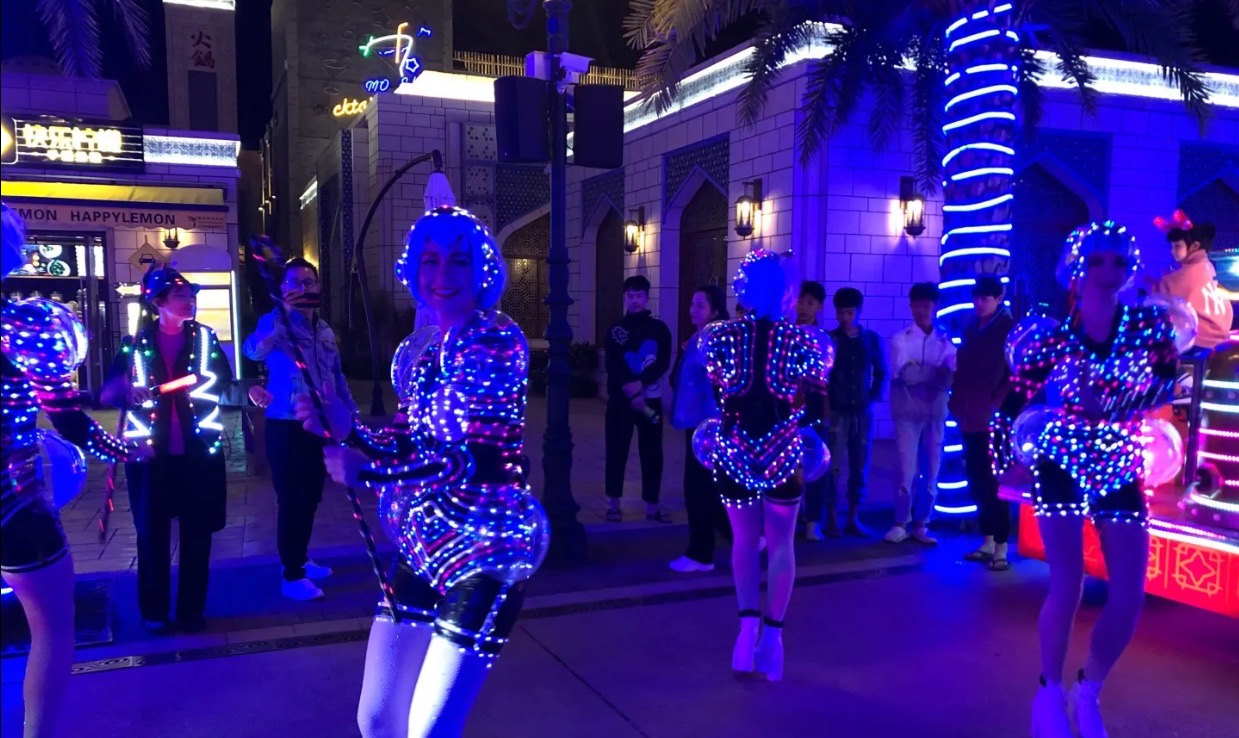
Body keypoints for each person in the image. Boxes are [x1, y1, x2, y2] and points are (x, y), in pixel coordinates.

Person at [296, 206, 546, 738]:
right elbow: (407, 442)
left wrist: (371, 475)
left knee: (429, 731)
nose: (442, 275)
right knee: (376, 718)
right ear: (413, 270)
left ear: (483, 270)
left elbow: (476, 460)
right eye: (430, 260)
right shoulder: (421, 353)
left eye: (459, 261)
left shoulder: (496, 341)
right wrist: (348, 427)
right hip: (424, 548)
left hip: (485, 553)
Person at [992, 221, 1177, 738]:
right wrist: (1002, 461)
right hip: (1063, 460)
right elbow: (1010, 401)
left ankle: (1088, 688)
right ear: (1077, 267)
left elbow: (1167, 386)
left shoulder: (1148, 326)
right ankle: (1049, 692)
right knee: (1067, 583)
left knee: (1130, 595)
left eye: (1117, 260)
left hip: (1120, 459)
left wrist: (1114, 402)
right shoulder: (1054, 335)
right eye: (1096, 260)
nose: (1108, 270)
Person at [1, 203, 148, 738]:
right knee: (52, 626)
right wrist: (124, 449)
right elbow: (67, 419)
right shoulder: (24, 326)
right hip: (13, 506)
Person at [698, 249, 831, 681]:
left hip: (734, 453)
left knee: (743, 541)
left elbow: (719, 395)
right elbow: (814, 406)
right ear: (787, 290)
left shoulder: (719, 339)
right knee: (781, 544)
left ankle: (746, 632)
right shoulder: (805, 342)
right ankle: (773, 638)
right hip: (782, 455)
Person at [101, 266, 233, 635]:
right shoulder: (135, 343)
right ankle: (154, 612)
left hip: (198, 451)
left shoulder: (205, 338)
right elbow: (109, 392)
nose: (190, 301)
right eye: (181, 295)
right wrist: (128, 392)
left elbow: (222, 379)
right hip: (148, 454)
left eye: (191, 295)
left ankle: (191, 611)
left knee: (197, 535)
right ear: (158, 302)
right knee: (151, 534)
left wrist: (196, 387)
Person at [243, 257, 357, 601]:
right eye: (293, 282)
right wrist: (281, 316)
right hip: (287, 423)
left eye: (308, 282)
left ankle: (301, 558)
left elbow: (336, 375)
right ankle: (290, 573)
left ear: (318, 287)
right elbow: (253, 351)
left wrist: (350, 415)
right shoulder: (274, 321)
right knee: (292, 499)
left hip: (321, 424)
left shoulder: (324, 330)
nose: (300, 288)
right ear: (282, 288)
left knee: (311, 495)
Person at [950, 276, 1016, 570]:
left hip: (991, 417)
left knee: (994, 482)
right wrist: (956, 400)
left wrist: (997, 403)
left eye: (985, 298)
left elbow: (1015, 373)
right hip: (969, 413)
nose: (979, 303)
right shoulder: (971, 327)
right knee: (976, 478)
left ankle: (1001, 545)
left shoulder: (1007, 329)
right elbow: (961, 368)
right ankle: (987, 539)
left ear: (998, 298)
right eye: (977, 297)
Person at [885, 283, 956, 544]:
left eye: (927, 305)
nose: (922, 310)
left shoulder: (945, 340)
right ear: (910, 306)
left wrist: (923, 372)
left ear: (935, 307)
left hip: (936, 413)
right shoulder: (900, 338)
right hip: (906, 412)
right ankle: (900, 522)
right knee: (906, 468)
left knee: (932, 469)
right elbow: (905, 373)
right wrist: (936, 372)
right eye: (917, 305)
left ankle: (922, 523)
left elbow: (950, 376)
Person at [668, 285, 732, 573]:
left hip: (707, 425)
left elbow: (721, 385)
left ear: (715, 311)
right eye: (692, 304)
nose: (692, 310)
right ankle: (741, 538)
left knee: (699, 489)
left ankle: (701, 553)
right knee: (706, 489)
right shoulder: (699, 337)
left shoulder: (715, 340)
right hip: (696, 422)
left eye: (700, 306)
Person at [603, 274, 673, 523]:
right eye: (630, 295)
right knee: (616, 449)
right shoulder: (616, 330)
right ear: (624, 297)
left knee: (653, 452)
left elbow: (662, 362)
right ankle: (613, 504)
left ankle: (652, 505)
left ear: (647, 297)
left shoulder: (659, 329)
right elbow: (613, 364)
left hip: (650, 402)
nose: (634, 300)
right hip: (621, 402)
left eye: (639, 295)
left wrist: (641, 384)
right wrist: (631, 390)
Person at [825, 287, 886, 536]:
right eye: (841, 313)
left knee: (859, 465)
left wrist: (871, 396)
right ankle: (831, 518)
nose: (845, 318)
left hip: (862, 411)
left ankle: (853, 517)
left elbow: (881, 371)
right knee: (833, 467)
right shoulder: (831, 339)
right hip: (837, 411)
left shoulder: (870, 339)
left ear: (859, 312)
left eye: (850, 313)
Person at [1152, 219, 1233, 350]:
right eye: (1172, 246)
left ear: (1194, 246)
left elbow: (1162, 298)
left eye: (1177, 246)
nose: (1172, 251)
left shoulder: (1185, 275)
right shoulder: (1207, 266)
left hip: (1200, 339)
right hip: (1220, 335)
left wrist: (1152, 284)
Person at [795, 281, 831, 540]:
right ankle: (791, 515)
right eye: (801, 301)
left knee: (816, 460)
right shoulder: (784, 334)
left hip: (815, 407)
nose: (804, 307)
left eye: (811, 303)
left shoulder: (823, 339)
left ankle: (813, 520)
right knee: (788, 465)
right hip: (786, 408)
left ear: (819, 307)